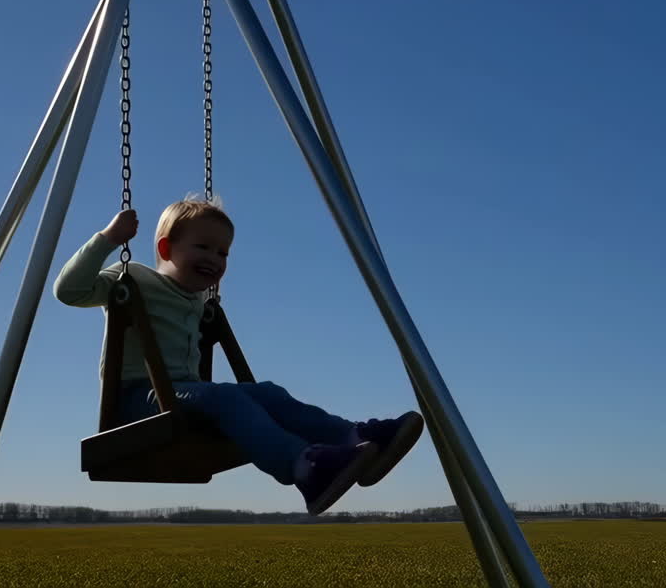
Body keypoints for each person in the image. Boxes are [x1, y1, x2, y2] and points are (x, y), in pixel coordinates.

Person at [54, 198, 423, 515]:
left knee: (268, 393)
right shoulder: (133, 278)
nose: (215, 259)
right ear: (166, 250)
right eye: (204, 247)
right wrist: (108, 239)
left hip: (185, 396)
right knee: (224, 395)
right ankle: (305, 468)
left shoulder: (199, 302)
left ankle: (353, 438)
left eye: (223, 252)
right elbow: (69, 290)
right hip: (139, 402)